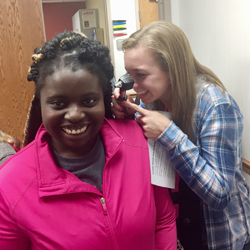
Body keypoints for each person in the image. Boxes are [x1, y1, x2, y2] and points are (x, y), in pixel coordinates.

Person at [0, 31, 177, 250]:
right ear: (41, 104)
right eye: (58, 103)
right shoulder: (10, 183)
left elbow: (164, 220)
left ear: (103, 99)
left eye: (89, 100)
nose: (74, 114)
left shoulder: (141, 141)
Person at [111, 21, 250, 250]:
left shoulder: (215, 105)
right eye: (130, 75)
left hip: (218, 236)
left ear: (172, 69)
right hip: (181, 224)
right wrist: (126, 115)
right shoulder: (152, 98)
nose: (135, 84)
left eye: (141, 75)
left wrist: (169, 134)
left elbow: (219, 195)